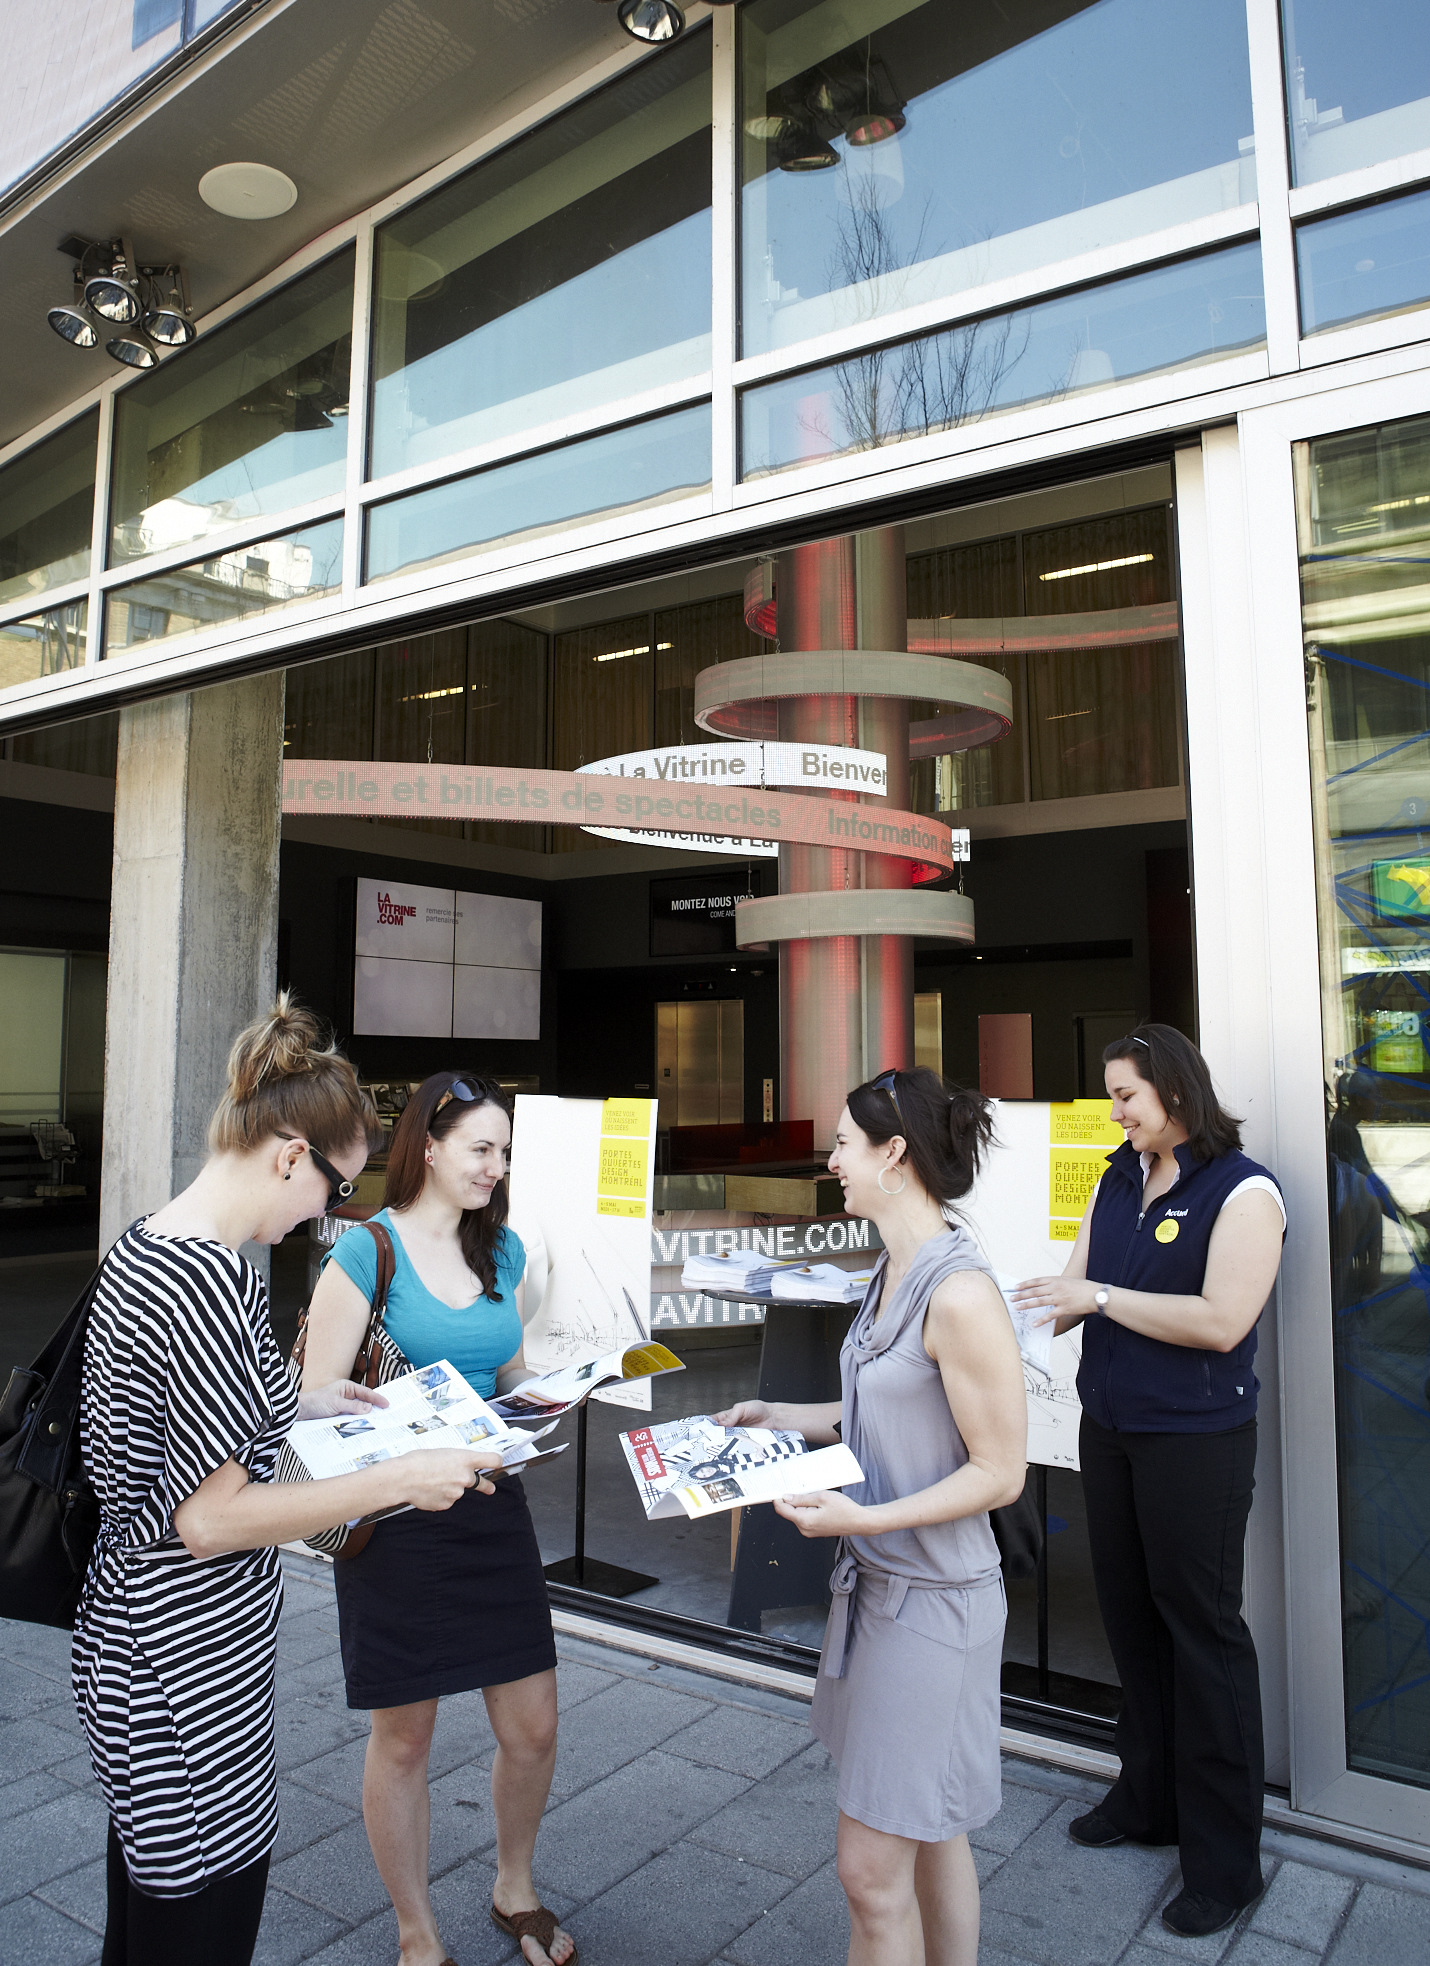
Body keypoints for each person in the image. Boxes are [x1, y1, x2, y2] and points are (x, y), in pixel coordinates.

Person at [73, 998, 500, 1966]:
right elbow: (212, 1520)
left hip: (160, 1648)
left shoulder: (167, 1244)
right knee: (194, 1924)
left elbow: (186, 1421)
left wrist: (310, 1404)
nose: (327, 1213)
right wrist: (399, 1476)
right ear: (286, 1152)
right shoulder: (202, 1278)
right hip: (176, 1665)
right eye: (335, 1186)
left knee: (150, 1908)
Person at [716, 1067, 1027, 1966]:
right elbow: (879, 1406)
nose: (832, 1160)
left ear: (895, 1156)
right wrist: (784, 1418)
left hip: (935, 1608)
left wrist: (860, 1520)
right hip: (881, 1599)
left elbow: (1000, 1472)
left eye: (846, 1144)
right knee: (929, 1832)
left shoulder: (959, 1293)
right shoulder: (890, 1266)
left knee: (869, 1870)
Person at [1010, 1023, 1285, 1941]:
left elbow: (1220, 1321)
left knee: (1202, 1637)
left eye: (1127, 1094)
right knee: (1131, 1623)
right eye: (1111, 1096)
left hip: (1197, 1443)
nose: (1116, 1110)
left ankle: (1225, 1862)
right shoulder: (1120, 1176)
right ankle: (1148, 1799)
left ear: (1177, 1091)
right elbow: (1076, 1282)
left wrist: (1099, 1301)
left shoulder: (1244, 1191)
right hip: (1115, 1432)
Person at [302, 1071, 574, 1966]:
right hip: (396, 1519)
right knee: (406, 1736)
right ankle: (417, 1933)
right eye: (482, 1150)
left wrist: (556, 1394)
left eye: (505, 1153)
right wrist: (391, 1430)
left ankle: (514, 1886)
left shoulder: (503, 1255)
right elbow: (309, 1406)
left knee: (533, 1724)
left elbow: (508, 1377)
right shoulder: (364, 1256)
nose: (497, 1168)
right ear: (429, 1146)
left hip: (494, 1510)